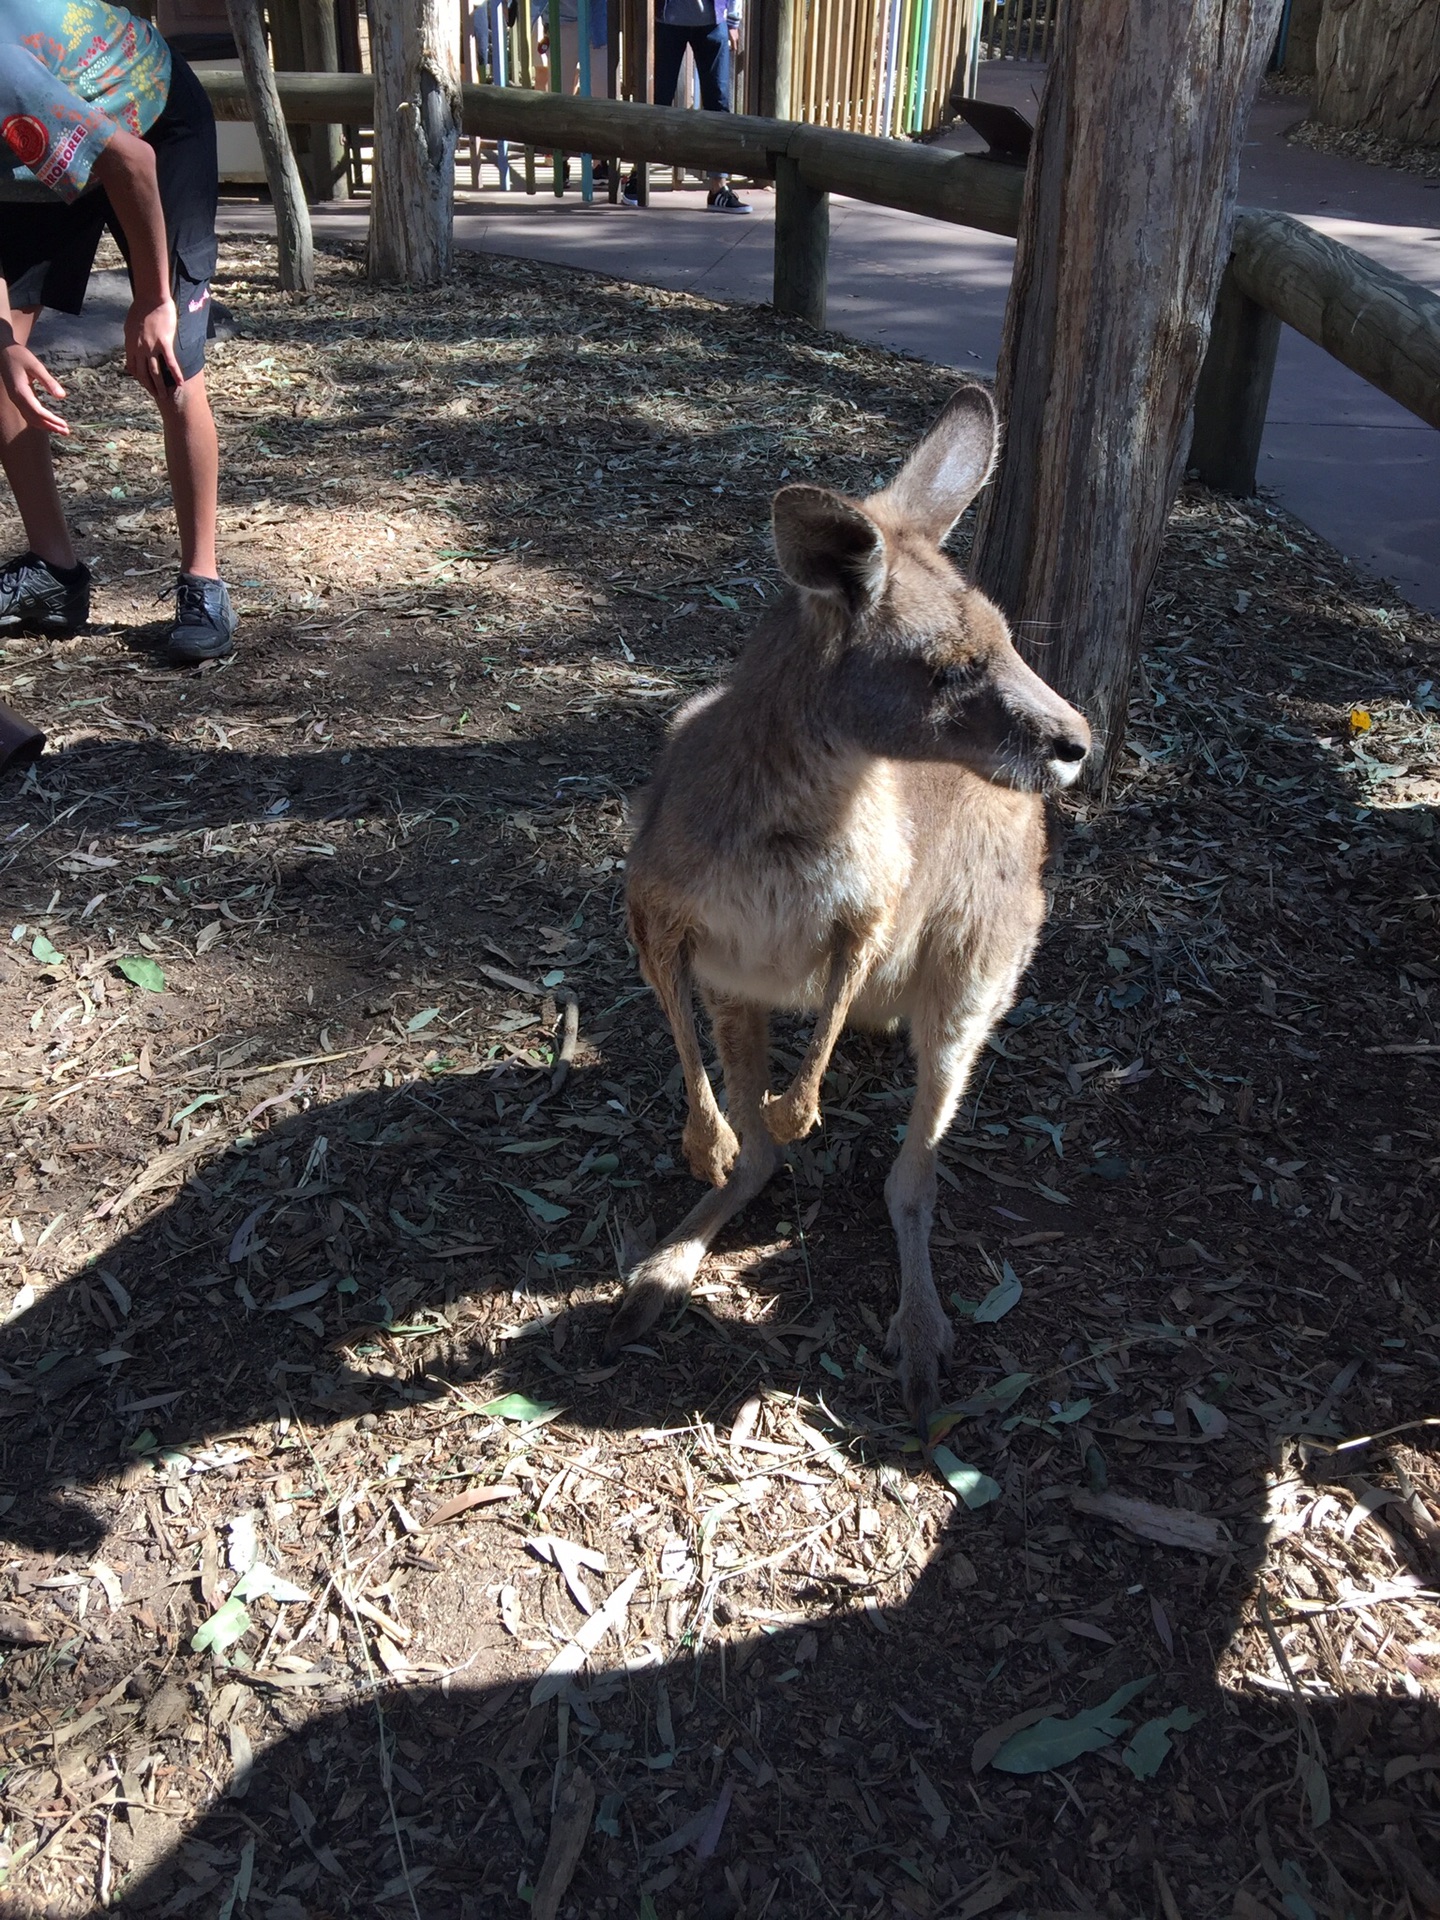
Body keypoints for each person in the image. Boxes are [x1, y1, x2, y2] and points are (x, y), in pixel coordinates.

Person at [0, 2, 236, 663]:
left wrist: (156, 300)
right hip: (41, 145)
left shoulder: (2, 71)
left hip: (155, 123)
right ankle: (54, 575)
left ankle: (204, 582)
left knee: (170, 363)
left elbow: (128, 159)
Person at [624, 0, 748, 213]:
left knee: (718, 103)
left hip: (712, 20)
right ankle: (639, 175)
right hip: (666, 19)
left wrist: (733, 20)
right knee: (658, 101)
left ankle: (718, 186)